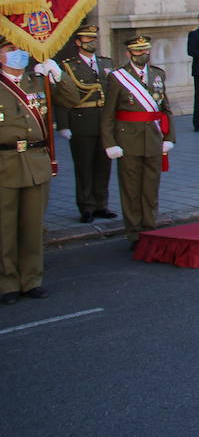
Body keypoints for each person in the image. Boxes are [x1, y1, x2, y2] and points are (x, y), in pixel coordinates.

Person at [0, 40, 61, 302]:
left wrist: (57, 77)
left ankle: (31, 278)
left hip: (36, 161)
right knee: (5, 227)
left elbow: (71, 99)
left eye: (20, 49)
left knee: (33, 226)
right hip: (5, 162)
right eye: (10, 50)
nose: (18, 54)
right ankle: (8, 283)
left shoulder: (37, 82)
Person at [101, 35, 175, 246]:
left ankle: (149, 230)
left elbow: (165, 109)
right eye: (138, 51)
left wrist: (170, 137)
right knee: (131, 190)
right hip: (128, 141)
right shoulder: (118, 77)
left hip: (153, 138)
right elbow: (108, 114)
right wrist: (110, 143)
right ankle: (134, 233)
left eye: (146, 51)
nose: (143, 54)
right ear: (129, 53)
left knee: (150, 189)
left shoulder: (157, 75)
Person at [53, 25, 117, 223]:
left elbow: (113, 93)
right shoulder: (68, 66)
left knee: (103, 165)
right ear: (78, 42)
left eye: (93, 39)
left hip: (104, 122)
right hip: (82, 121)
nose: (92, 43)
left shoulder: (106, 63)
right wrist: (63, 125)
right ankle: (86, 206)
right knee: (84, 167)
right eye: (87, 40)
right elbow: (62, 97)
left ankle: (101, 205)